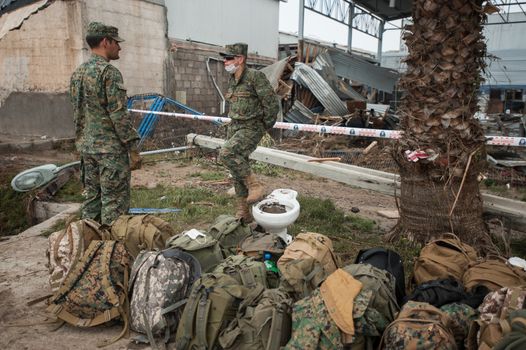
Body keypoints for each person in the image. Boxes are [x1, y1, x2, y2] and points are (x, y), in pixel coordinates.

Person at [70, 21, 141, 225]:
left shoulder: (78, 74)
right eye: (116, 42)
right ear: (104, 42)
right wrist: (132, 148)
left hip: (87, 149)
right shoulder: (108, 73)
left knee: (92, 202)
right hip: (110, 151)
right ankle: (112, 252)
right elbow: (119, 115)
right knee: (114, 205)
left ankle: (89, 247)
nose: (119, 47)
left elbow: (77, 112)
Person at [219, 43, 279, 223]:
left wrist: (263, 126)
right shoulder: (232, 79)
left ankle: (255, 185)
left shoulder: (255, 77)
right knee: (237, 167)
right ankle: (244, 213)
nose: (225, 61)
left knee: (227, 153)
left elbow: (271, 104)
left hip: (251, 127)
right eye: (225, 58)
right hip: (235, 126)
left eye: (229, 58)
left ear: (240, 59)